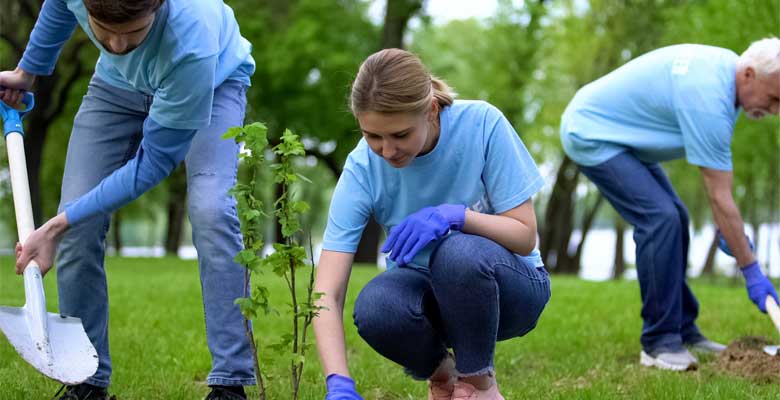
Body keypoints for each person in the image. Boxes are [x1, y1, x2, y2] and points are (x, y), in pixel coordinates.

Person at [1, 1, 256, 399]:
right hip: (115, 87)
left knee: (211, 210)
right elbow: (56, 6)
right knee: (77, 221)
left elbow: (153, 162)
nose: (118, 44)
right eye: (103, 31)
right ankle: (86, 381)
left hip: (211, 82)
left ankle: (231, 382)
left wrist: (53, 226)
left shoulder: (193, 41)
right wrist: (26, 71)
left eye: (134, 32)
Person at [313, 48, 551, 400]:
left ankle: (480, 386)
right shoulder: (362, 168)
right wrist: (338, 383)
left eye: (400, 135)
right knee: (375, 307)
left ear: (431, 110)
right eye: (372, 136)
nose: (387, 150)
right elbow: (327, 292)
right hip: (427, 299)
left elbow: (524, 236)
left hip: (508, 290)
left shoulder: (483, 124)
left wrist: (456, 217)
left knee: (456, 251)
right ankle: (445, 375)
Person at [559, 38, 780, 371]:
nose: (776, 109)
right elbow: (720, 195)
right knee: (659, 219)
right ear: (749, 74)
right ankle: (659, 342)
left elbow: (720, 197)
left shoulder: (728, 76)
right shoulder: (709, 98)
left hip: (626, 137)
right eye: (774, 97)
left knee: (676, 216)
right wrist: (751, 271)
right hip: (591, 133)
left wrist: (728, 227)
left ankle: (682, 329)